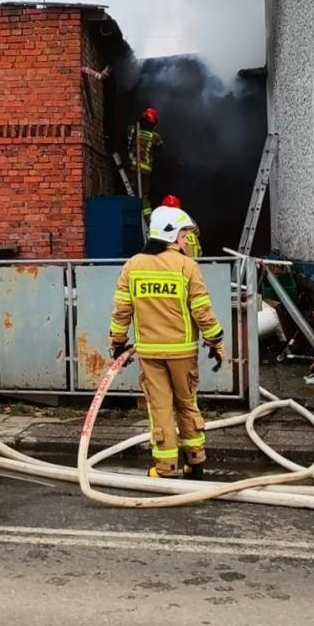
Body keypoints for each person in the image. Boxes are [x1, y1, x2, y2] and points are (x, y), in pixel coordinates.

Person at [109, 205, 224, 480]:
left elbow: (122, 310)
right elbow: (202, 311)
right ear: (171, 234)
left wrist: (117, 342)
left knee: (159, 408)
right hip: (183, 352)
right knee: (187, 404)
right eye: (184, 234)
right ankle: (195, 462)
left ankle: (165, 468)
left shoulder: (133, 265)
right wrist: (215, 341)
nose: (186, 240)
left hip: (149, 352)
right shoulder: (187, 266)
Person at [127, 107, 162, 215]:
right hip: (145, 171)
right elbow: (161, 149)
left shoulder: (131, 129)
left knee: (131, 193)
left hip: (131, 167)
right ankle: (148, 219)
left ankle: (134, 214)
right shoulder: (155, 137)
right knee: (144, 196)